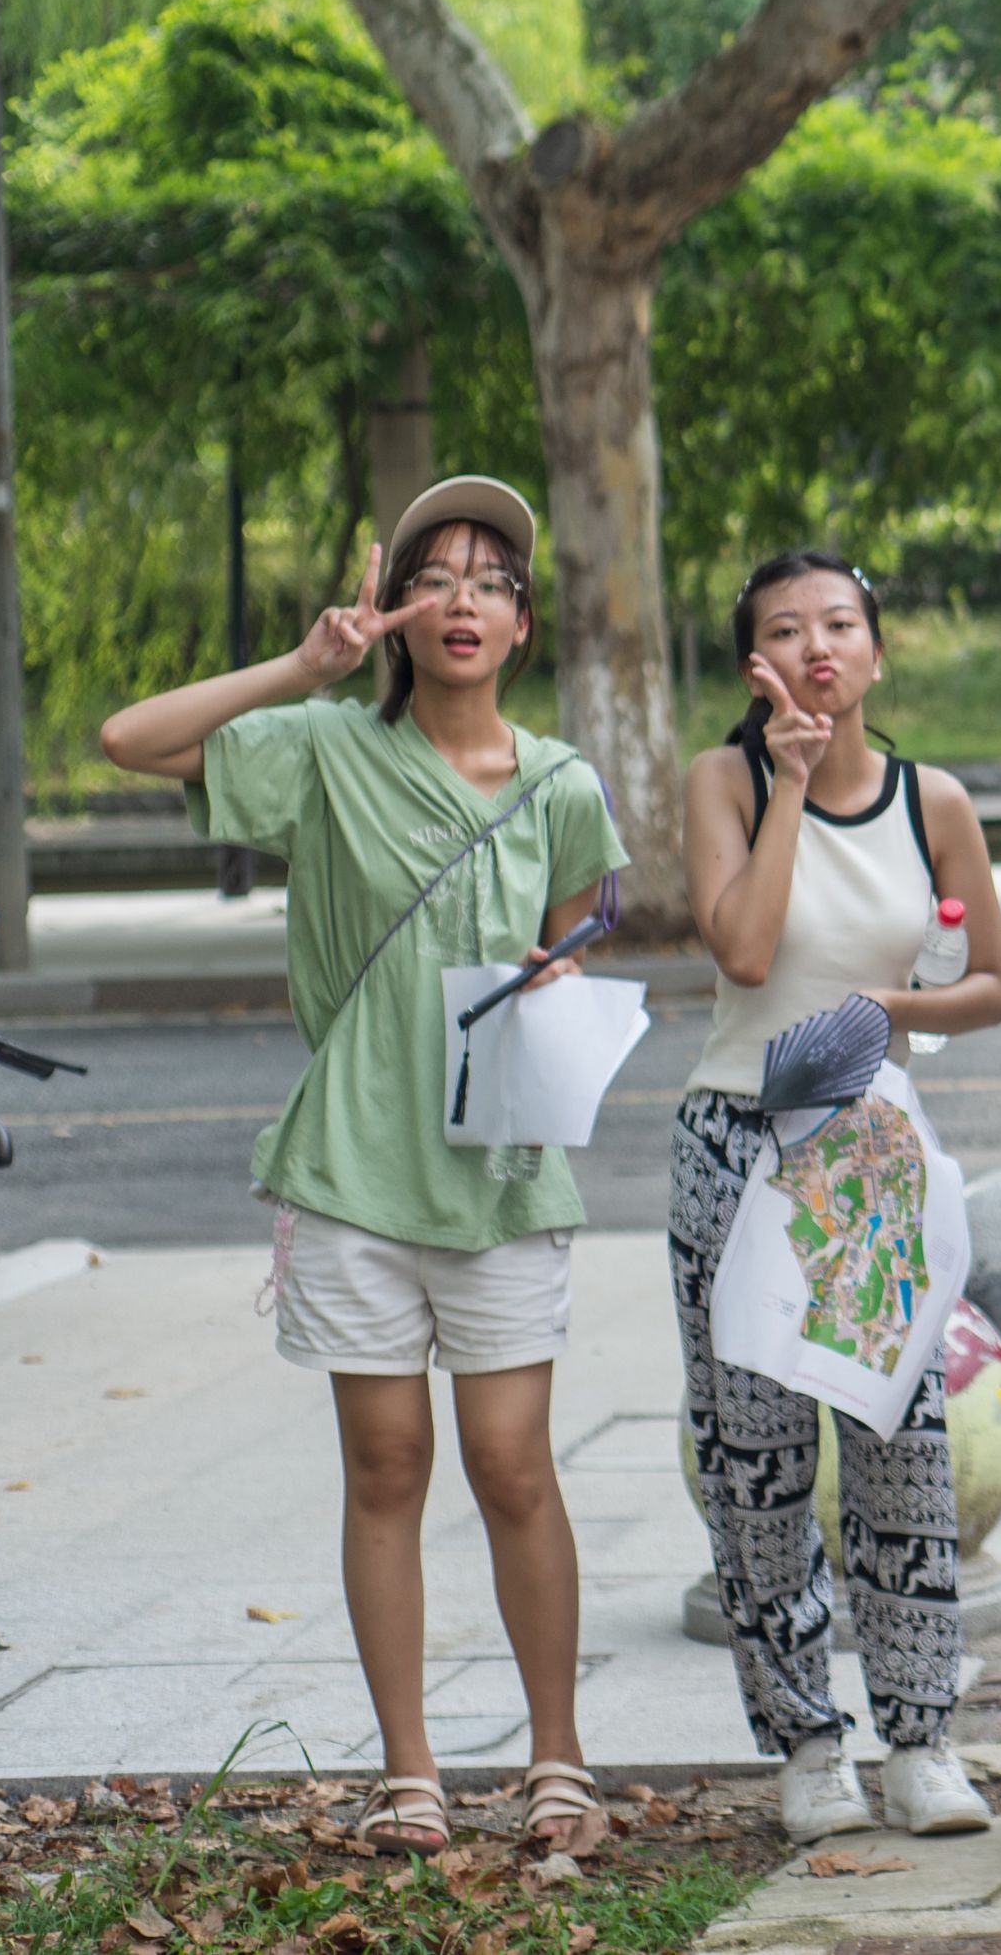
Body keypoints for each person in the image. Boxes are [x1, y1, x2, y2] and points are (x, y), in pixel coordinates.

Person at [95, 478, 625, 1862]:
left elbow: (577, 938)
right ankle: (412, 1770)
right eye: (432, 577)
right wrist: (301, 666)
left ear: (521, 622)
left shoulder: (563, 784)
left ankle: (557, 1756)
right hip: (351, 1167)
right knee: (385, 1466)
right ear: (391, 611)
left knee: (514, 1467)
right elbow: (129, 739)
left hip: (499, 1171)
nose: (462, 601)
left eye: (490, 582)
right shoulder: (326, 747)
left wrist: (554, 976)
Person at [672, 550, 1001, 1843]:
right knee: (754, 1462)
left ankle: (922, 1740)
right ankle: (808, 1744)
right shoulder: (724, 781)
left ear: (876, 649)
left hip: (871, 1143)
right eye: (783, 630)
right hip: (737, 1139)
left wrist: (889, 1009)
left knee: (900, 1443)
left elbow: (992, 983)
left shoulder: (937, 800)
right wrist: (792, 784)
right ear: (751, 664)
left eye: (838, 625)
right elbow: (746, 948)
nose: (816, 647)